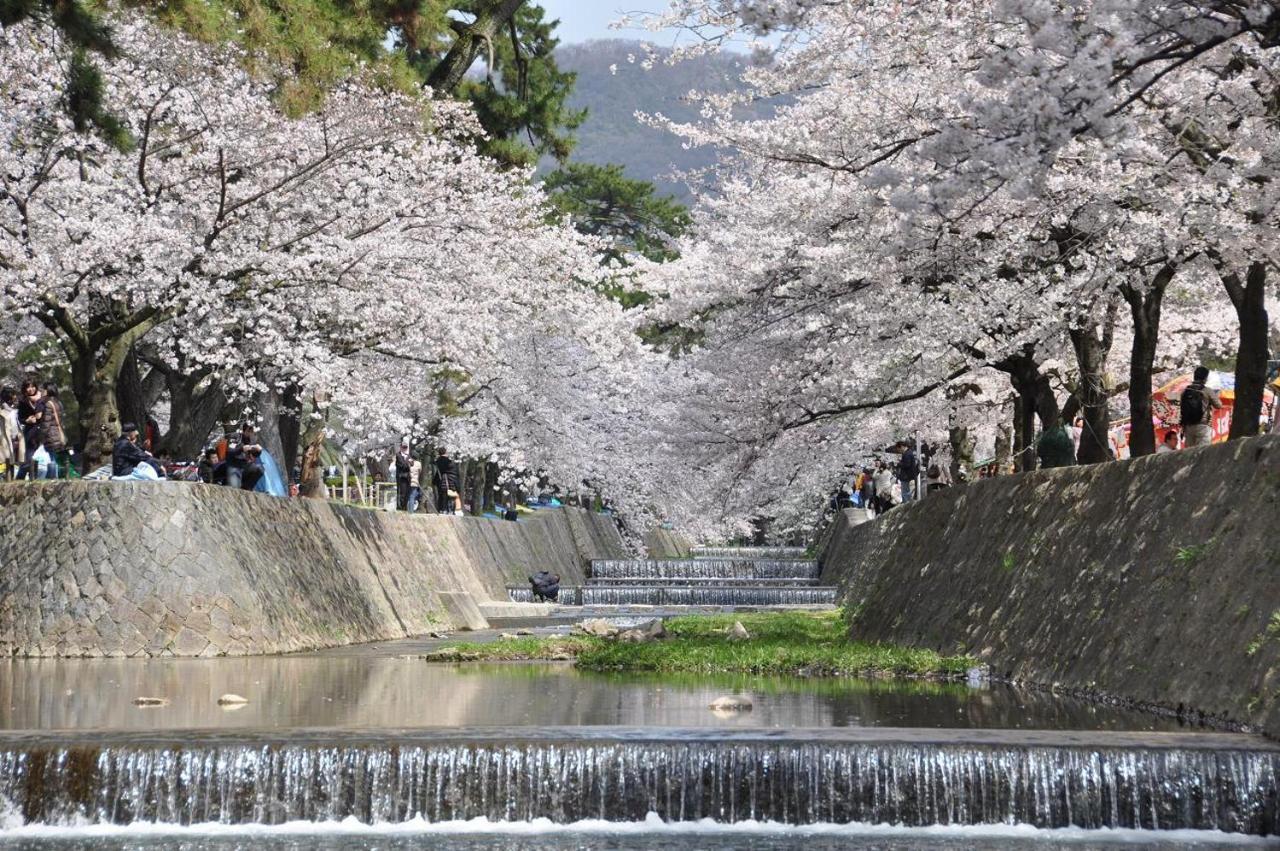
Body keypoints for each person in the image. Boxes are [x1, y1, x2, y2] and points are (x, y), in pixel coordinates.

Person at [1178, 366, 1224, 448]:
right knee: (1202, 453)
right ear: (1205, 378)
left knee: (1189, 454)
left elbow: (1182, 406)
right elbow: (1219, 405)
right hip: (1203, 426)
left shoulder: (1185, 391)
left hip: (1188, 426)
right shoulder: (1207, 391)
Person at [15, 380, 43, 480]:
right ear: (24, 389)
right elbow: (20, 417)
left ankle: (35, 477)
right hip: (30, 431)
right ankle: (23, 477)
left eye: (32, 386)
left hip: (42, 431)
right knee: (29, 456)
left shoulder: (43, 398)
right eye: (28, 387)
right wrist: (27, 420)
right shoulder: (23, 401)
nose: (31, 389)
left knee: (43, 456)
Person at [39, 383, 67, 478]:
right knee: (54, 457)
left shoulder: (48, 404)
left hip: (51, 435)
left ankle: (53, 479)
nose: (41, 391)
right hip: (58, 433)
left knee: (51, 458)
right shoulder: (58, 403)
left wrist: (41, 436)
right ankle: (57, 477)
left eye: (43, 389)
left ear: (48, 391)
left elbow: (46, 423)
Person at [224, 423, 259, 488]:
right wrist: (241, 449)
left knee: (258, 469)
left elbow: (253, 456)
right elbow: (230, 451)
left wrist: (258, 451)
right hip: (233, 465)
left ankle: (246, 488)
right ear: (243, 430)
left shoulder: (251, 441)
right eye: (248, 431)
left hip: (245, 466)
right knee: (234, 486)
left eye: (252, 432)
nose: (250, 434)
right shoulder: (235, 437)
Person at [0, 388, 22, 480]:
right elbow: (14, 428)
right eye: (13, 395)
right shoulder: (10, 411)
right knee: (8, 462)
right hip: (6, 439)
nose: (15, 397)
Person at [433, 447, 462, 515]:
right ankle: (451, 510)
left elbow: (439, 472)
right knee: (451, 496)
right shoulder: (450, 462)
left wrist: (434, 481)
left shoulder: (438, 462)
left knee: (443, 495)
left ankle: (443, 509)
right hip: (452, 481)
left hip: (444, 480)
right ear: (446, 452)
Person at [394, 442, 412, 511]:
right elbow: (402, 465)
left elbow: (412, 463)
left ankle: (404, 506)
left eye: (406, 447)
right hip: (401, 477)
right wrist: (408, 463)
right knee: (402, 492)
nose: (405, 449)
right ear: (401, 447)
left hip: (407, 477)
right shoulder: (398, 455)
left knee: (407, 492)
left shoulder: (408, 455)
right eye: (403, 447)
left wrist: (408, 463)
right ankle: (400, 506)